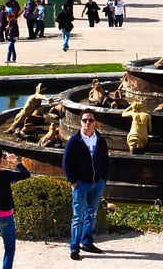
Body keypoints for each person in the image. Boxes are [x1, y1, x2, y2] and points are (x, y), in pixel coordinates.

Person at [63, 109, 109, 261]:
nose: (87, 123)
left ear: (95, 122)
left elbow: (105, 161)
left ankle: (87, 242)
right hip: (81, 184)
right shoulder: (74, 141)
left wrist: (104, 179)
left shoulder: (100, 140)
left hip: (97, 183)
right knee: (78, 217)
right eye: (84, 120)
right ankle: (74, 247)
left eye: (90, 120)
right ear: (80, 122)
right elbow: (66, 163)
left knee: (92, 214)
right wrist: (73, 181)